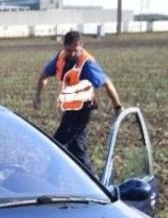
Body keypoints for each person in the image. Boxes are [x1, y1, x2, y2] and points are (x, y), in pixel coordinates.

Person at [33, 30, 122, 172]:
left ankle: (51, 178)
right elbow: (43, 76)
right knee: (77, 148)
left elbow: (106, 83)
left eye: (75, 50)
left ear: (81, 46)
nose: (72, 54)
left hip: (83, 109)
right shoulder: (60, 58)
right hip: (70, 108)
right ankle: (91, 182)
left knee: (58, 145)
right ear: (64, 47)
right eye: (68, 50)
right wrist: (38, 96)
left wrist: (117, 107)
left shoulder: (87, 63)